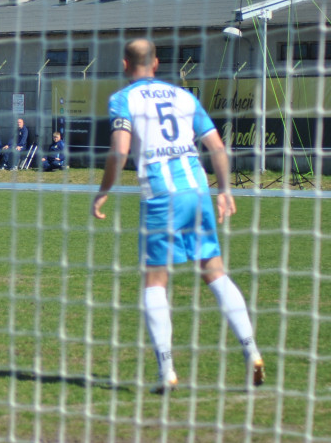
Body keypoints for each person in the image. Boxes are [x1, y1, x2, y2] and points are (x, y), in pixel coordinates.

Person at [92, 38, 264, 392]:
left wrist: (104, 190)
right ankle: (252, 351)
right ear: (156, 64)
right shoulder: (184, 96)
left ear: (126, 65)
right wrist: (224, 190)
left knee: (155, 282)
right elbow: (216, 146)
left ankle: (166, 370)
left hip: (161, 194)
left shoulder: (123, 99)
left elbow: (120, 151)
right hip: (197, 189)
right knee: (213, 271)